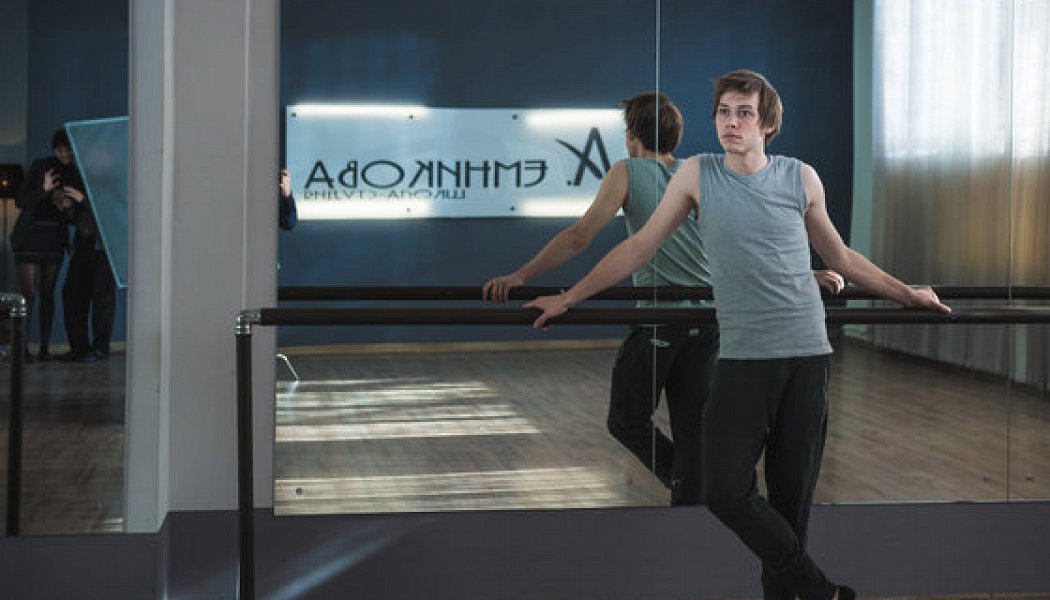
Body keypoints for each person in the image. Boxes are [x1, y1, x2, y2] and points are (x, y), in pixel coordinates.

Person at [525, 70, 950, 599]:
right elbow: (639, 248)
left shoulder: (800, 177)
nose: (731, 122)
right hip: (742, 359)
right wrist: (568, 297)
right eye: (724, 112)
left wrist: (907, 293)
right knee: (723, 489)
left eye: (744, 113)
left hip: (806, 357)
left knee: (792, 502)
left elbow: (841, 257)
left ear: (767, 124)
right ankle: (822, 592)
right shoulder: (697, 174)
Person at [484, 92, 844, 506]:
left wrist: (521, 276)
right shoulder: (697, 174)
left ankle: (690, 486)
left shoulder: (628, 171)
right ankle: (695, 493)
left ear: (632, 134)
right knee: (693, 431)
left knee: (626, 420)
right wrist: (805, 273)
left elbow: (579, 237)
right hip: (710, 324)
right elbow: (745, 242)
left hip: (663, 322)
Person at [11, 129, 79, 362]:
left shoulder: (75, 172)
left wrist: (68, 207)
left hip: (54, 238)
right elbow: (20, 200)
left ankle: (44, 349)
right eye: (60, 150)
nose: (64, 154)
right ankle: (21, 349)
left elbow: (74, 216)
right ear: (54, 150)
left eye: (68, 150)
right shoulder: (41, 166)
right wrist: (44, 189)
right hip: (30, 237)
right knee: (28, 293)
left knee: (48, 293)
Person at [59, 138, 116, 363]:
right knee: (72, 295)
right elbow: (78, 218)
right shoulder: (82, 177)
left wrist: (83, 200)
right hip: (83, 245)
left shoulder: (113, 178)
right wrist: (68, 207)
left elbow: (112, 211)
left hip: (104, 247)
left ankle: (100, 349)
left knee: (102, 300)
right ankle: (79, 348)